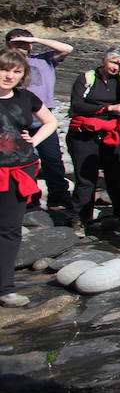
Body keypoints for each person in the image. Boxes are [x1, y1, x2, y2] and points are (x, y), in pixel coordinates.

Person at [0, 48, 58, 306]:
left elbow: (50, 122)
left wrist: (32, 141)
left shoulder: (27, 98)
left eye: (16, 71)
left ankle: (5, 288)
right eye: (4, 69)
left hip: (18, 170)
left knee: (10, 230)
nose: (9, 76)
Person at [5, 29, 74, 220]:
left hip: (43, 116)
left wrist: (34, 39)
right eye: (16, 43)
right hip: (15, 115)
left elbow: (67, 48)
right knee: (24, 160)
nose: (21, 46)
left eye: (24, 43)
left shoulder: (44, 59)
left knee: (52, 159)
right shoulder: (6, 65)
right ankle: (29, 200)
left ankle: (59, 199)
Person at [68, 49, 120, 235]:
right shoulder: (87, 78)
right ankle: (81, 219)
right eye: (113, 62)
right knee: (86, 178)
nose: (116, 67)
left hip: (114, 132)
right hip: (85, 133)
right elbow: (77, 105)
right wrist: (109, 107)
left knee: (117, 176)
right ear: (103, 61)